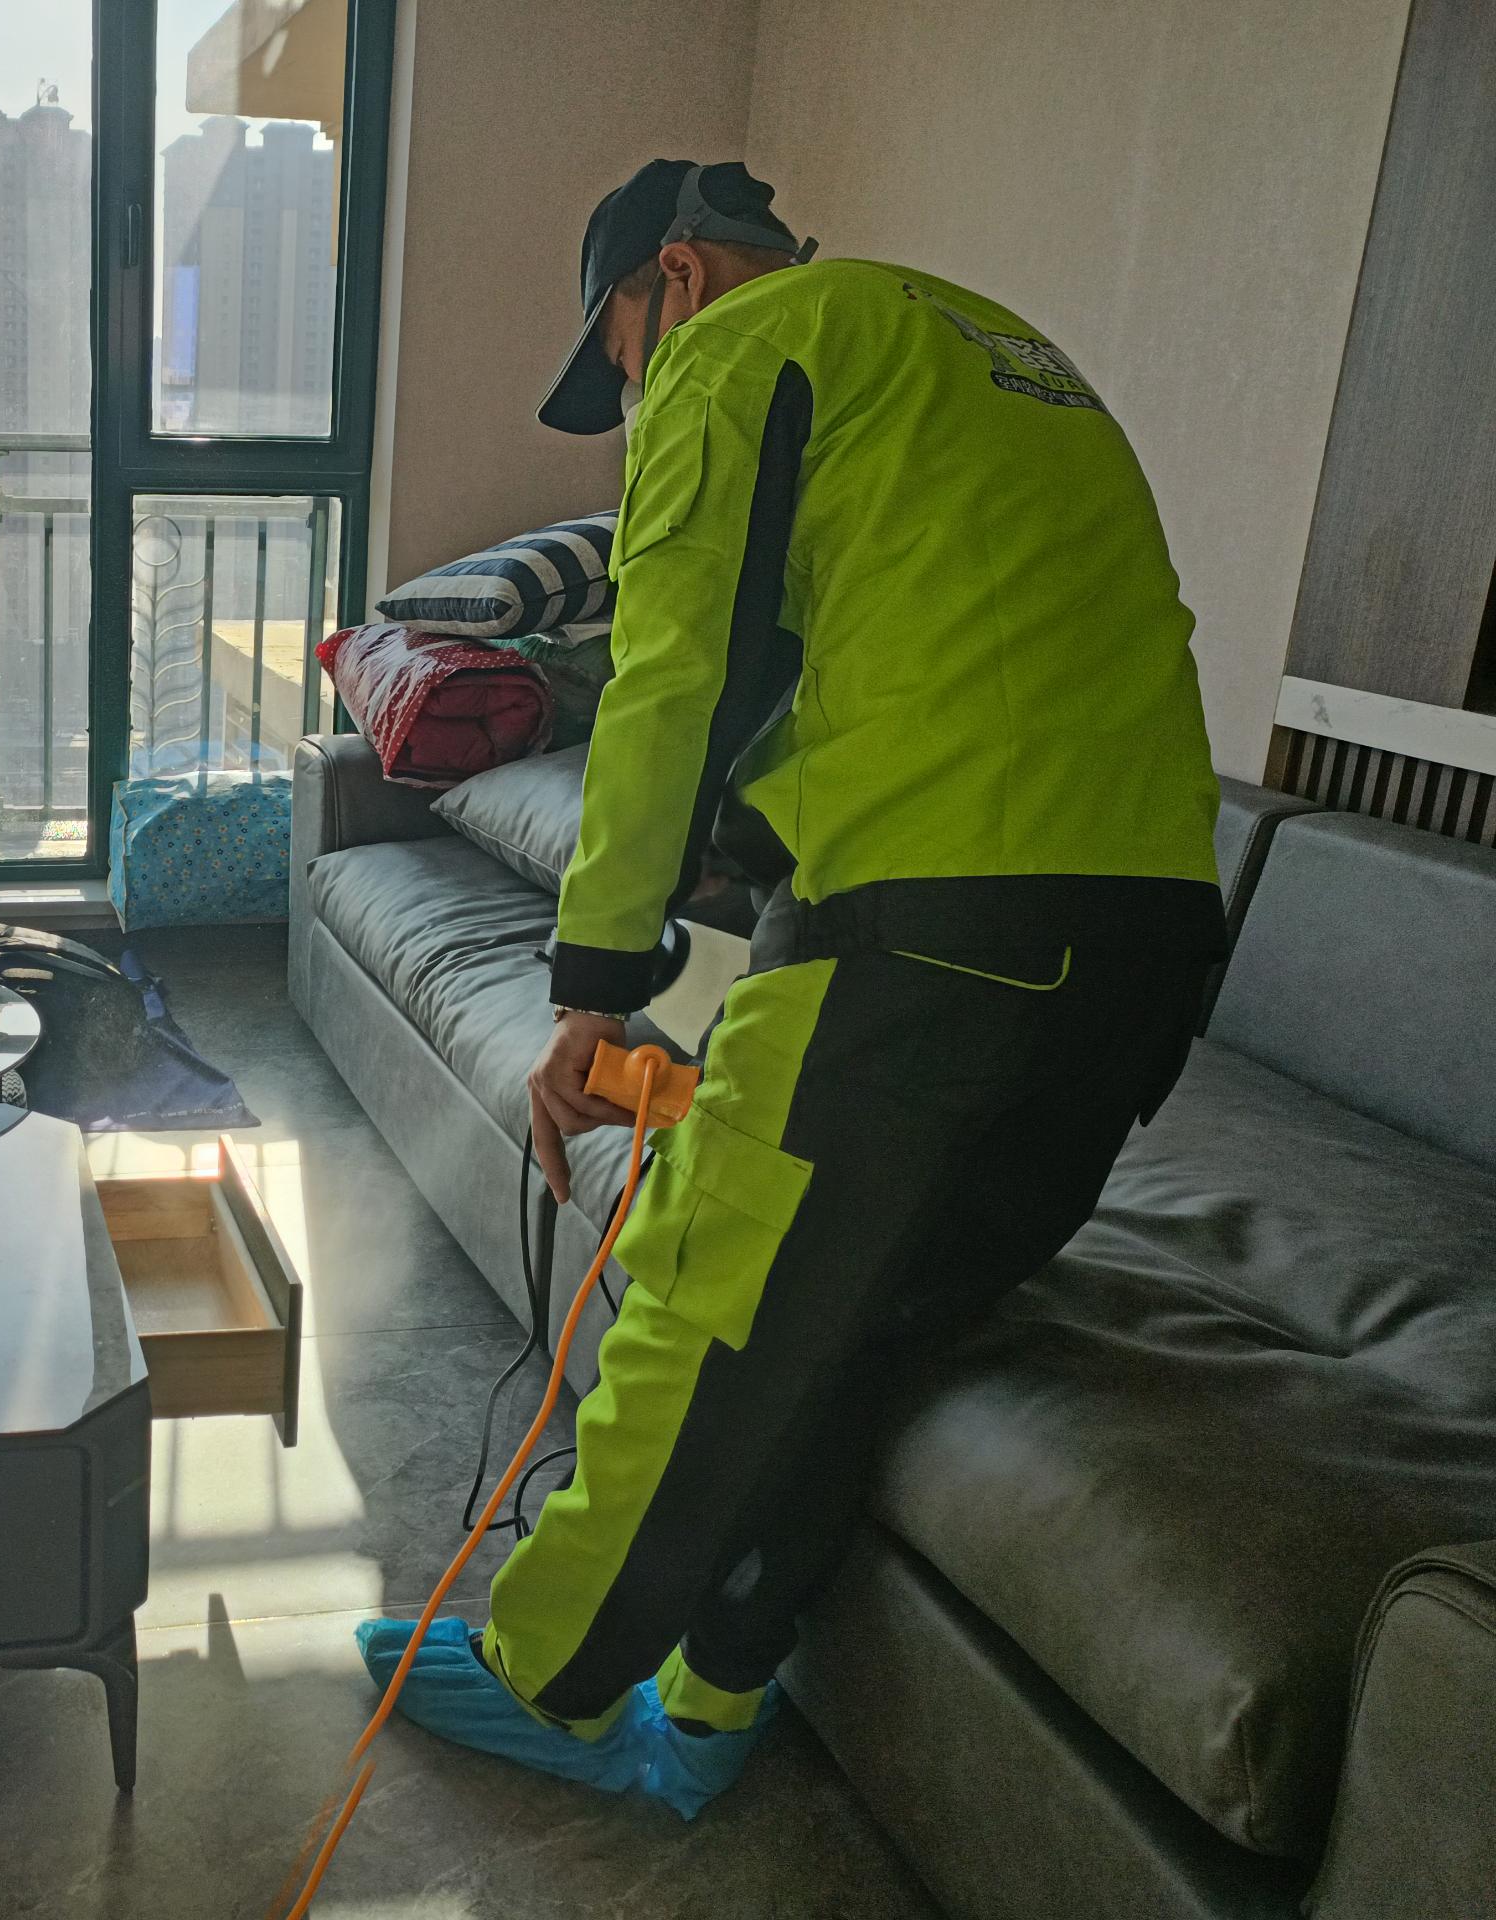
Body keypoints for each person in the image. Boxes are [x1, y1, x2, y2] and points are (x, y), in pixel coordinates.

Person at [355, 159, 1225, 1815]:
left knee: (712, 1297)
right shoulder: (996, 348)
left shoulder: (741, 354)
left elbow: (672, 675)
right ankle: (715, 1699)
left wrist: (594, 995)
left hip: (937, 926)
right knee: (862, 1326)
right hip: (1153, 940)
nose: (634, 391)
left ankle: (552, 1676)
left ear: (676, 278)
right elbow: (927, 663)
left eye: (622, 353)